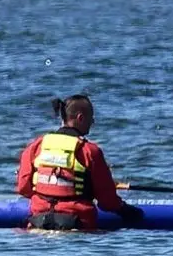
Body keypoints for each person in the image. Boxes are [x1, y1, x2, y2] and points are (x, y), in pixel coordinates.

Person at [15, 95, 145, 231]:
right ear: (80, 118)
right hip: (77, 226)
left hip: (39, 223)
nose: (93, 121)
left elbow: (23, 188)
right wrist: (128, 211)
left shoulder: (36, 146)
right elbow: (108, 202)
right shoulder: (89, 151)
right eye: (91, 117)